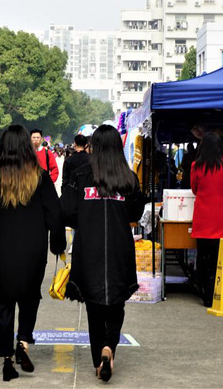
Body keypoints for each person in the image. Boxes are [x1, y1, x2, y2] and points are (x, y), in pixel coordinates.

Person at [0, 125, 66, 382]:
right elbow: (54, 213)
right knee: (29, 296)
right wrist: (57, 245)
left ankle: (6, 356)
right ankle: (23, 341)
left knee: (3, 302)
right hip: (32, 247)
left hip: (0, 247)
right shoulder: (39, 176)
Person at [61, 125, 147, 383]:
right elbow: (135, 213)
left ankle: (99, 359)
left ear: (93, 147)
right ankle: (109, 347)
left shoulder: (80, 176)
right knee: (117, 303)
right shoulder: (129, 178)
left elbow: (67, 211)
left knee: (94, 306)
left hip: (89, 248)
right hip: (120, 246)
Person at [190, 132, 223, 307]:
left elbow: (194, 189)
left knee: (204, 258)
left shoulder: (196, 166)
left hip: (203, 218)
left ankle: (207, 294)